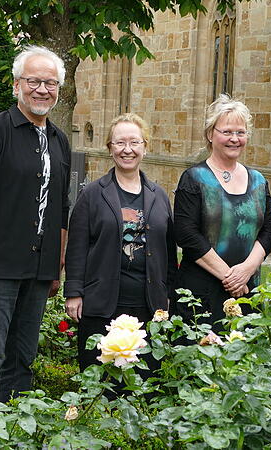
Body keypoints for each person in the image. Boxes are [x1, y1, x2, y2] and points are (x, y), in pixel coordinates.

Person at [0, 45, 71, 402]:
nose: (42, 89)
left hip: (38, 271)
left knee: (23, 359)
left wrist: (57, 266)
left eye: (50, 83)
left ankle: (14, 431)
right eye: (33, 81)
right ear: (16, 84)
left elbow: (61, 206)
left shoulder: (59, 140)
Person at [64, 113, 177, 373]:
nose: (127, 150)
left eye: (134, 142)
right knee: (100, 379)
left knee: (145, 382)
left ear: (145, 147)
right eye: (120, 143)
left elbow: (169, 252)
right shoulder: (92, 194)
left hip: (148, 304)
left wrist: (168, 294)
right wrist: (73, 292)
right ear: (110, 148)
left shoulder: (159, 196)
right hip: (102, 304)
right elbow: (77, 247)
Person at [173, 95, 271, 327]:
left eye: (241, 132)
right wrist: (230, 277)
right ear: (211, 134)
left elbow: (268, 231)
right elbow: (186, 234)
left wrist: (246, 271)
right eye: (227, 132)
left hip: (247, 291)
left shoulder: (258, 181)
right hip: (202, 293)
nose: (234, 139)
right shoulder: (194, 179)